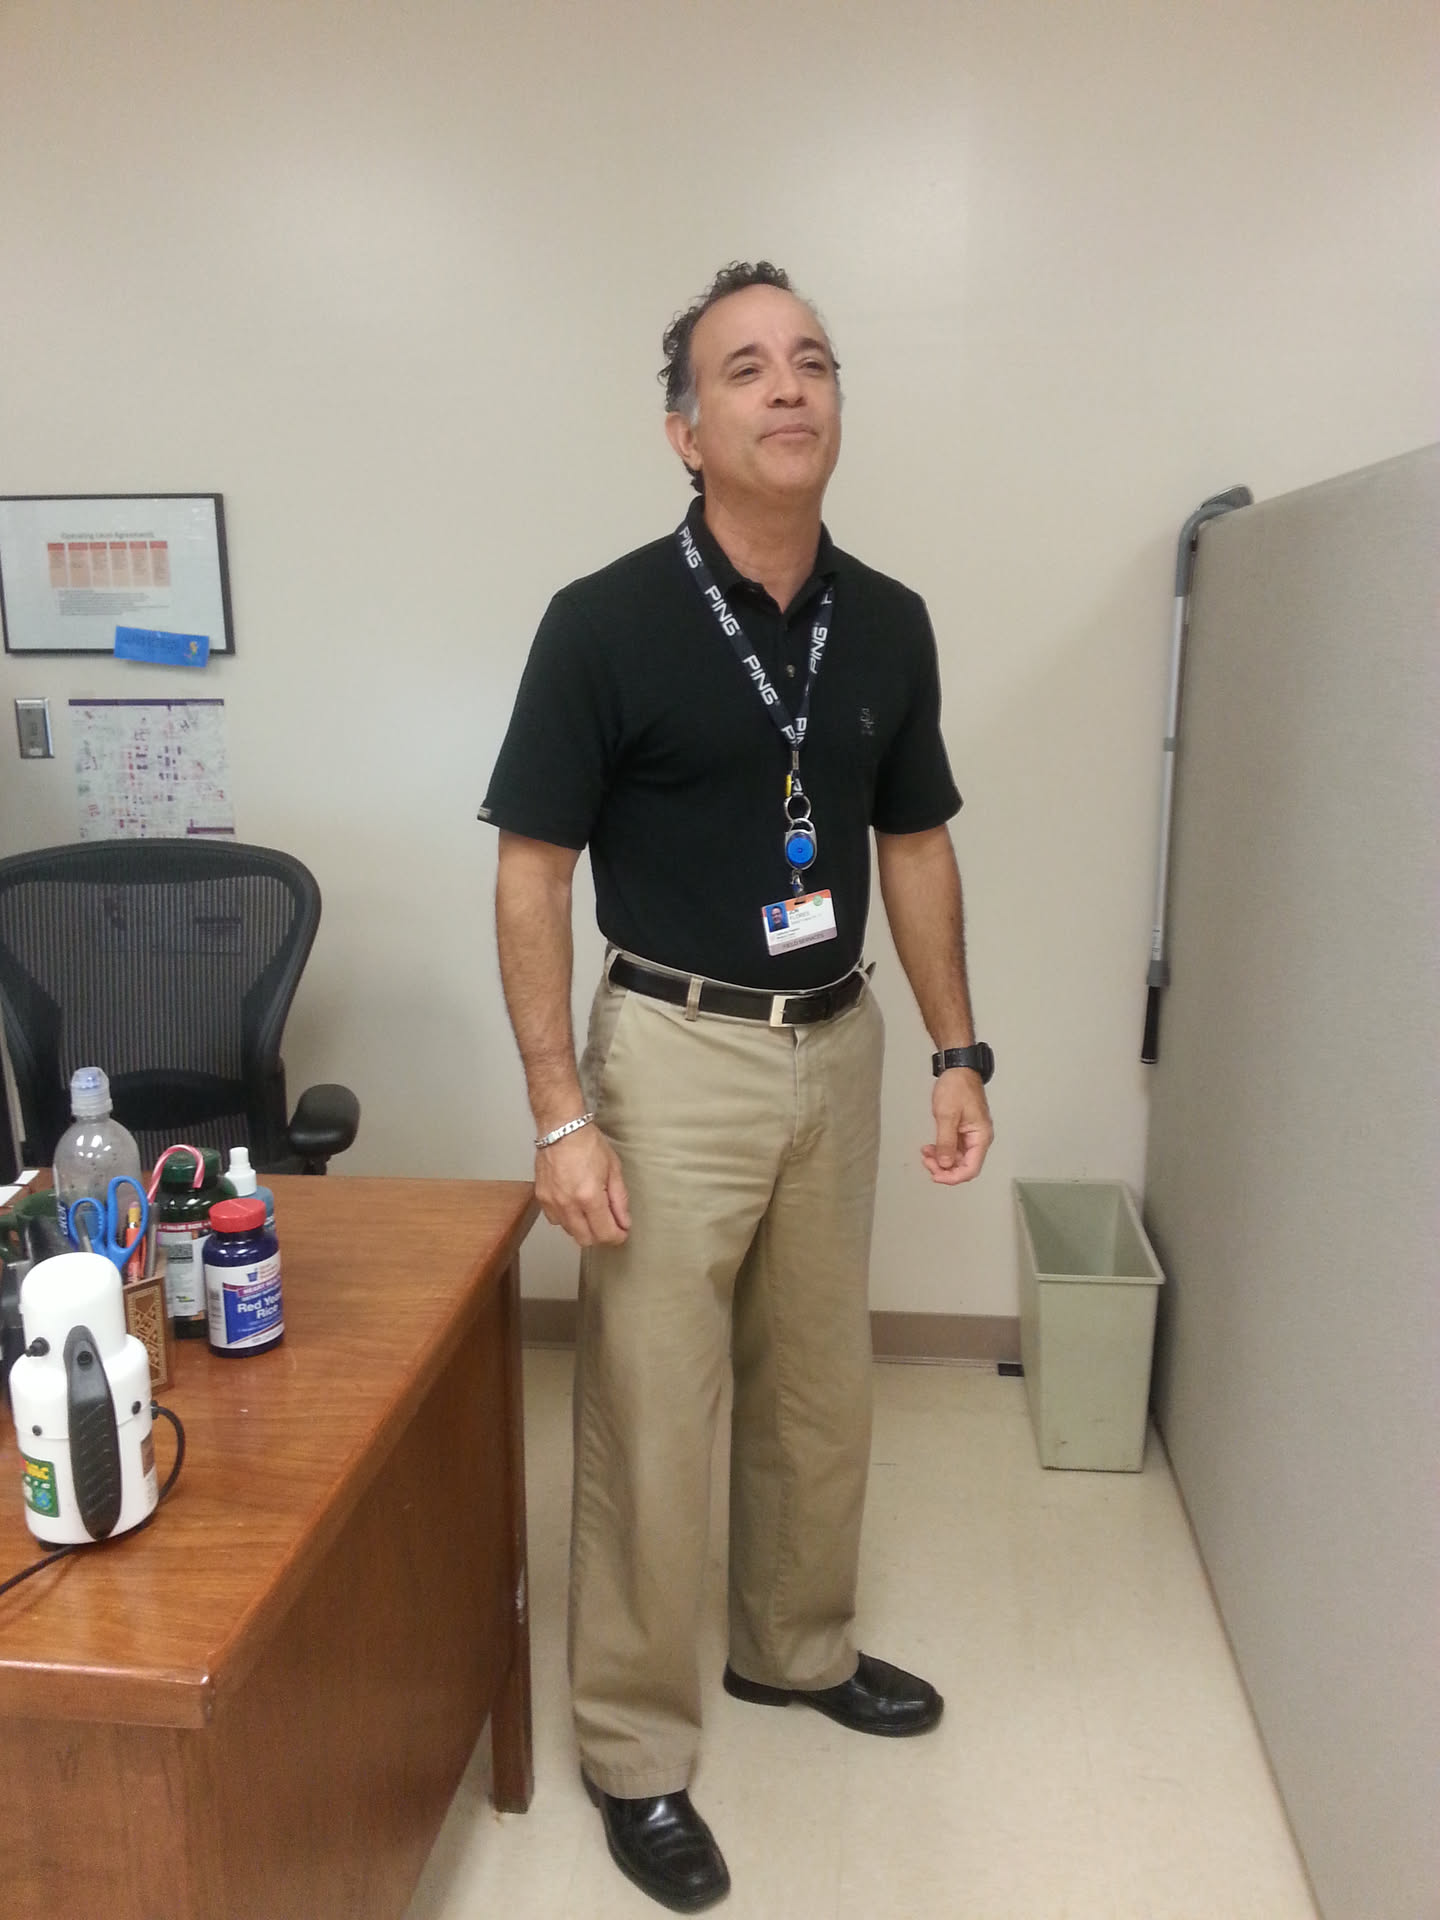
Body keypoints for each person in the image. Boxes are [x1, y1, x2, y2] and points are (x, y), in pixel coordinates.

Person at [480, 261, 994, 1913]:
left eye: (813, 362)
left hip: (838, 1041)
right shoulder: (604, 621)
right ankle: (634, 1749)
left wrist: (958, 1048)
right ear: (685, 430)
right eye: (748, 367)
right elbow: (532, 873)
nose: (790, 388)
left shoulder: (888, 619)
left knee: (815, 1383)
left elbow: (915, 842)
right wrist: (562, 1116)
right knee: (649, 1405)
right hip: (673, 1051)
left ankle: (795, 1647)